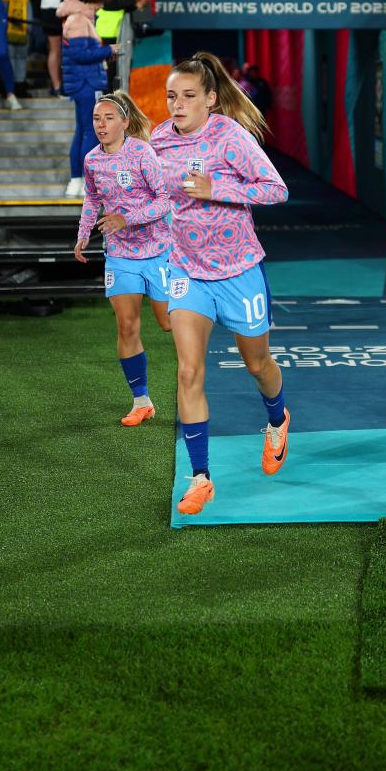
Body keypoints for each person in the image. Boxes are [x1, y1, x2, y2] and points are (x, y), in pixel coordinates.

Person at [151, 52, 290, 518]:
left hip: (239, 270)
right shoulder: (158, 141)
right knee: (189, 372)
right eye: (172, 96)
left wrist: (218, 189)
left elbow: (276, 189)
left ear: (211, 99)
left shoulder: (231, 137)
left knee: (258, 365)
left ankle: (277, 419)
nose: (177, 105)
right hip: (187, 271)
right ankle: (201, 478)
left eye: (188, 96)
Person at [74, 92, 173, 425]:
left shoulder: (142, 154)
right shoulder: (91, 160)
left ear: (125, 123)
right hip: (119, 255)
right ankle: (141, 400)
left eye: (109, 118)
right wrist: (83, 233)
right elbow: (91, 198)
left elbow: (164, 201)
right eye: (97, 119)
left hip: (158, 250)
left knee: (168, 323)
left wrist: (127, 218)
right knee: (127, 325)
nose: (101, 125)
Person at [58, 0, 114, 198]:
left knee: (83, 131)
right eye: (100, 0)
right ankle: (82, 182)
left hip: (84, 82)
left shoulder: (78, 18)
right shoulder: (79, 19)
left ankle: (76, 181)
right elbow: (80, 54)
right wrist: (109, 50)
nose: (102, 5)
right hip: (86, 83)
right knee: (89, 132)